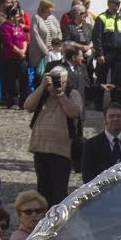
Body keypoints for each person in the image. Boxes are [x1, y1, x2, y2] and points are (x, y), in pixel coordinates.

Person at [25, 64, 82, 206]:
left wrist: (60, 94)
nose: (58, 84)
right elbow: (27, 106)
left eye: (60, 81)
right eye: (55, 80)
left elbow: (75, 112)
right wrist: (42, 87)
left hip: (61, 151)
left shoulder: (71, 93)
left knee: (59, 191)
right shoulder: (43, 93)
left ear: (66, 81)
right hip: (41, 148)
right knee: (42, 190)